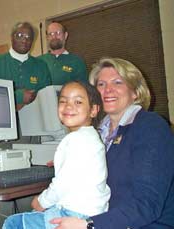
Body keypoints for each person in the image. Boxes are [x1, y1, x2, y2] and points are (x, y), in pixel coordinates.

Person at [51, 57, 174, 229]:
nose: (108, 90)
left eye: (117, 82)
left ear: (135, 92)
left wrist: (89, 225)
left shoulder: (150, 126)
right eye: (101, 85)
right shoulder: (97, 134)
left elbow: (147, 204)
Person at [3, 81, 110, 229]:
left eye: (78, 102)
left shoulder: (76, 139)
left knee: (13, 223)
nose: (68, 106)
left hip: (75, 214)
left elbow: (63, 183)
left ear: (93, 110)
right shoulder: (90, 137)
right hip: (93, 211)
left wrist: (41, 202)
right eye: (63, 101)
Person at [0, 21, 51, 110]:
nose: (24, 40)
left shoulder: (41, 66)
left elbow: (47, 98)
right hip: (1, 119)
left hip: (34, 121)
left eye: (28, 37)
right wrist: (17, 96)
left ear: (32, 41)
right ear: (12, 37)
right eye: (19, 36)